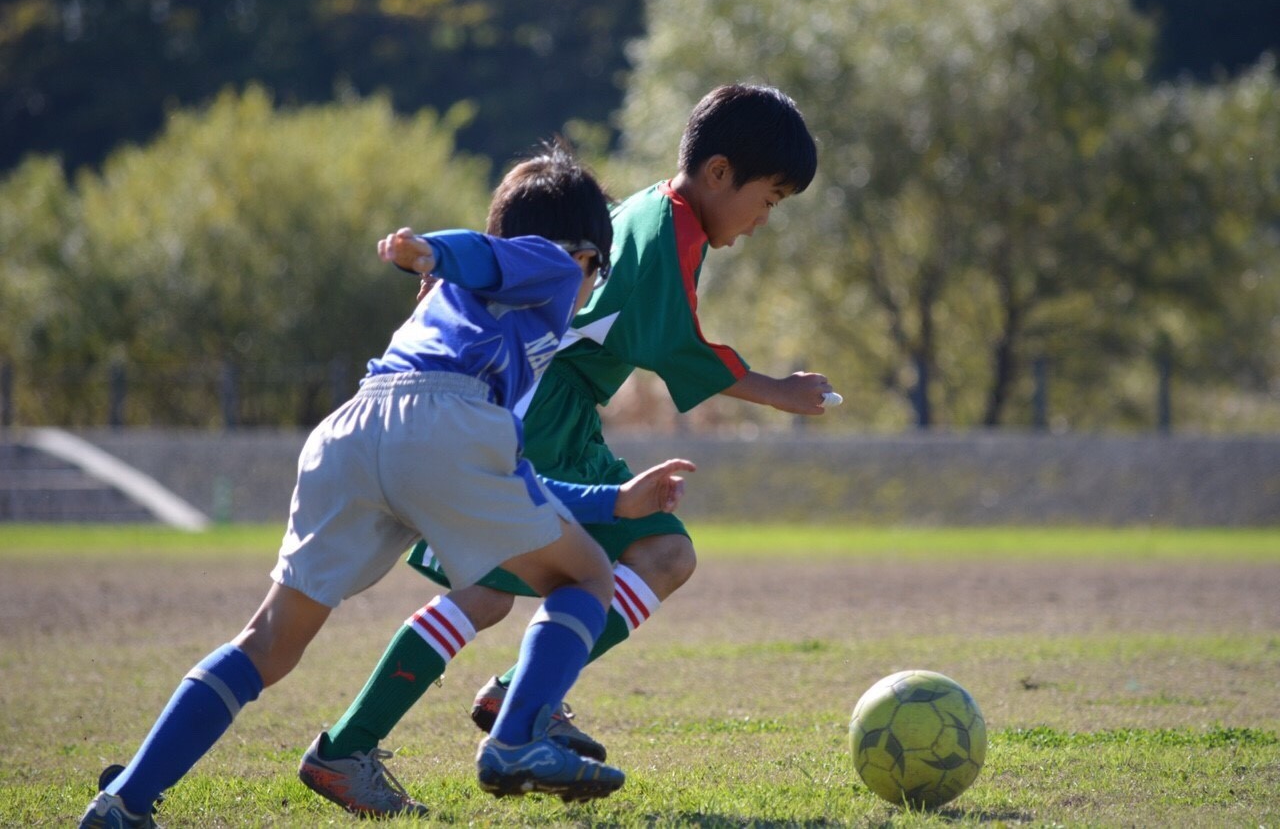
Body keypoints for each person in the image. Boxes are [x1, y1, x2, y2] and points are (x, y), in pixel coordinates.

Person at [77, 142, 697, 828]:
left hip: (355, 427)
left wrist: (611, 501)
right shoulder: (552, 264)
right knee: (586, 580)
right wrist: (432, 250)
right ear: (586, 255)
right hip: (441, 424)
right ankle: (518, 738)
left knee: (269, 641)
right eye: (597, 273)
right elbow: (498, 260)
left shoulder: (455, 316)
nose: (587, 289)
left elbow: (503, 477)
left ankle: (124, 799)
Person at [299, 83, 830, 817]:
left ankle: (468, 714)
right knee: (610, 565)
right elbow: (671, 341)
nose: (766, 218)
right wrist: (780, 391)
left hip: (557, 410)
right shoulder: (669, 227)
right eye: (768, 198)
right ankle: (491, 714)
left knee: (516, 582)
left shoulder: (657, 217)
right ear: (717, 173)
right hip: (547, 408)